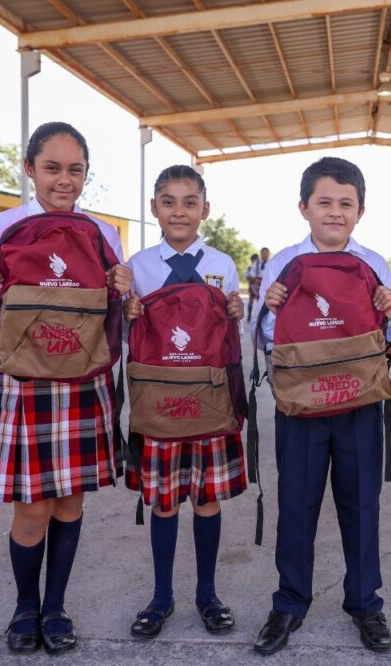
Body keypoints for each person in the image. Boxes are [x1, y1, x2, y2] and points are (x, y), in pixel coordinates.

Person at [0, 122, 131, 655]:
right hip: (25, 379)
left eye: (75, 170)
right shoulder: (0, 228)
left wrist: (125, 290)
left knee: (69, 503)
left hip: (85, 378)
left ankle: (56, 605)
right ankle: (24, 608)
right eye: (53, 168)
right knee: (32, 507)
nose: (65, 180)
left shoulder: (103, 233)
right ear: (29, 169)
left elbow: (118, 312)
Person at [253, 157, 391, 656]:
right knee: (296, 504)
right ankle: (289, 602)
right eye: (324, 203)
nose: (334, 213)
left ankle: (365, 602)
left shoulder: (374, 263)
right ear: (304, 207)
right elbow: (266, 339)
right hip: (301, 403)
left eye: (345, 204)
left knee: (361, 504)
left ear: (360, 211)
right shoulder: (282, 264)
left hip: (358, 401)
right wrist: (270, 307)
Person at [123, 164, 246, 640]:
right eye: (168, 201)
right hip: (160, 401)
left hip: (210, 396)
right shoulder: (138, 266)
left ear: (205, 210)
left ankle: (207, 594)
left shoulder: (223, 264)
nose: (179, 211)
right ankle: (161, 596)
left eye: (189, 202)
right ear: (154, 207)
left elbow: (230, 334)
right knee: (165, 502)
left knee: (208, 500)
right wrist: (127, 311)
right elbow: (127, 333)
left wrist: (238, 310)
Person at [245, 253, 260, 322]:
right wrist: (253, 279)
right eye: (253, 260)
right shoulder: (249, 268)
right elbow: (247, 277)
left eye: (256, 260)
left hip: (259, 287)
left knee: (259, 301)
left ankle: (259, 316)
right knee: (251, 300)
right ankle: (249, 315)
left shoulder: (261, 267)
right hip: (252, 286)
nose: (255, 261)